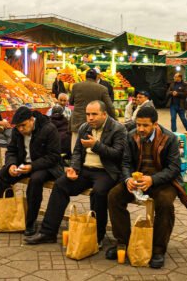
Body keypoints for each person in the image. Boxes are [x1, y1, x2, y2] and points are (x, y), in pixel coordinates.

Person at [25, 100, 127, 246]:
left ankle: (97, 236)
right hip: (85, 170)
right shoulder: (84, 128)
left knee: (98, 192)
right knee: (60, 185)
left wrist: (96, 146)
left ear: (104, 114)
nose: (90, 118)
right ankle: (48, 232)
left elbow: (118, 154)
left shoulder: (117, 129)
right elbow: (77, 152)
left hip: (106, 171)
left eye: (94, 114)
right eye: (88, 114)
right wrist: (73, 168)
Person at [106, 106, 187, 269]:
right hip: (137, 180)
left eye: (145, 125)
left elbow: (174, 168)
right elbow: (125, 162)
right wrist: (127, 179)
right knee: (114, 196)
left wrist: (152, 179)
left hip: (163, 181)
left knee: (165, 203)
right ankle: (123, 243)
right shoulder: (131, 136)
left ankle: (158, 249)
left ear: (155, 124)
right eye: (138, 124)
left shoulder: (170, 138)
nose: (140, 129)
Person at [0, 106, 64, 236]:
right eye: (18, 126)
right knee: (0, 176)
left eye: (23, 125)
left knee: (35, 180)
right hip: (23, 164)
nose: (21, 129)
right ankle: (9, 217)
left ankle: (30, 222)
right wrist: (11, 165)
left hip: (46, 166)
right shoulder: (17, 131)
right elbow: (11, 150)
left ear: (32, 120)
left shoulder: (49, 129)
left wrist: (32, 166)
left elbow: (54, 156)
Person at [69, 69, 116, 146]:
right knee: (91, 149)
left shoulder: (76, 86)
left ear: (85, 77)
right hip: (94, 123)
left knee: (75, 148)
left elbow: (71, 102)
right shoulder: (102, 89)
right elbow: (110, 107)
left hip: (77, 122)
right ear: (96, 77)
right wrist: (115, 120)